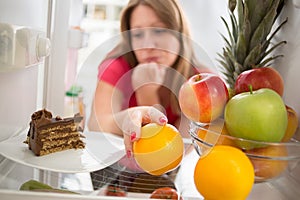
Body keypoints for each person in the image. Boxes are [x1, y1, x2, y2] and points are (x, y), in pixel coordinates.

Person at [88, 0, 203, 158]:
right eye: (138, 34)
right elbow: (96, 125)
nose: (148, 45)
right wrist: (128, 118)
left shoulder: (198, 81)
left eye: (159, 31)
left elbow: (173, 153)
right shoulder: (116, 67)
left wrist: (146, 94)